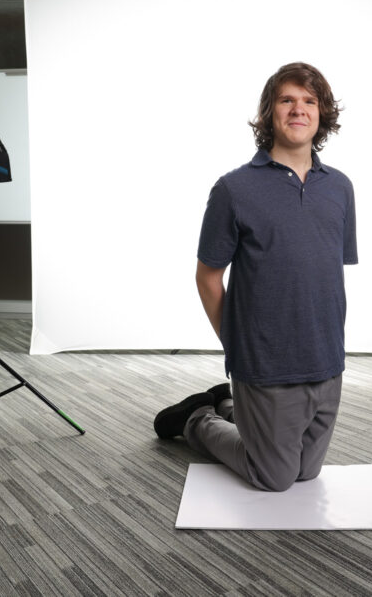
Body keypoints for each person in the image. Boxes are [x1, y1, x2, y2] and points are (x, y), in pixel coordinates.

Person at [153, 62, 357, 492]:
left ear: (322, 114)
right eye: (287, 100)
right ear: (269, 112)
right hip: (265, 363)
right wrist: (237, 345)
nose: (298, 109)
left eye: (309, 101)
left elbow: (327, 274)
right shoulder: (234, 189)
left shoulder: (339, 187)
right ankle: (197, 419)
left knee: (307, 472)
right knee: (274, 477)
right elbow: (208, 277)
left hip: (326, 360)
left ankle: (231, 406)